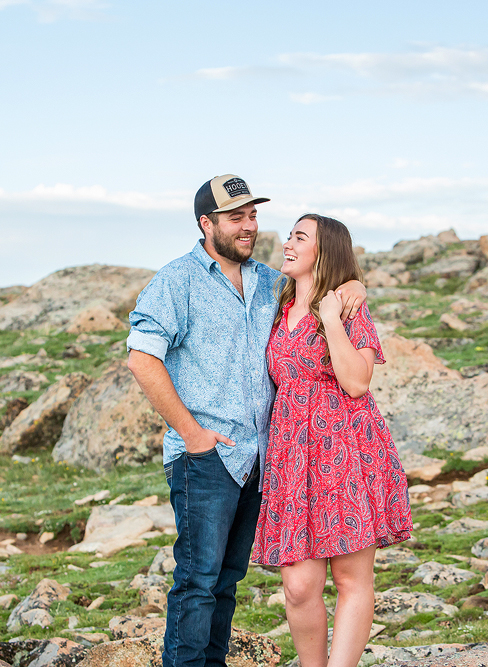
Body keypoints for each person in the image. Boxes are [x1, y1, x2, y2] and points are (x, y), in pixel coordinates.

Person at [126, 176, 367, 667]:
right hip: (206, 456)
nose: (249, 226)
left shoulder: (268, 282)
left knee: (226, 582)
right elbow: (141, 359)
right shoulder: (178, 281)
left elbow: (322, 283)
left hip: (261, 459)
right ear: (206, 223)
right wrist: (192, 436)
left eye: (252, 215)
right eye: (236, 217)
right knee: (197, 581)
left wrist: (355, 285)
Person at [252, 214, 413, 667]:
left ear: (324, 252)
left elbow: (357, 382)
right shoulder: (277, 305)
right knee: (299, 586)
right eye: (289, 235)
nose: (287, 243)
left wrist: (331, 316)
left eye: (299, 237)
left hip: (345, 450)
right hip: (290, 456)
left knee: (349, 578)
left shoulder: (347, 309)